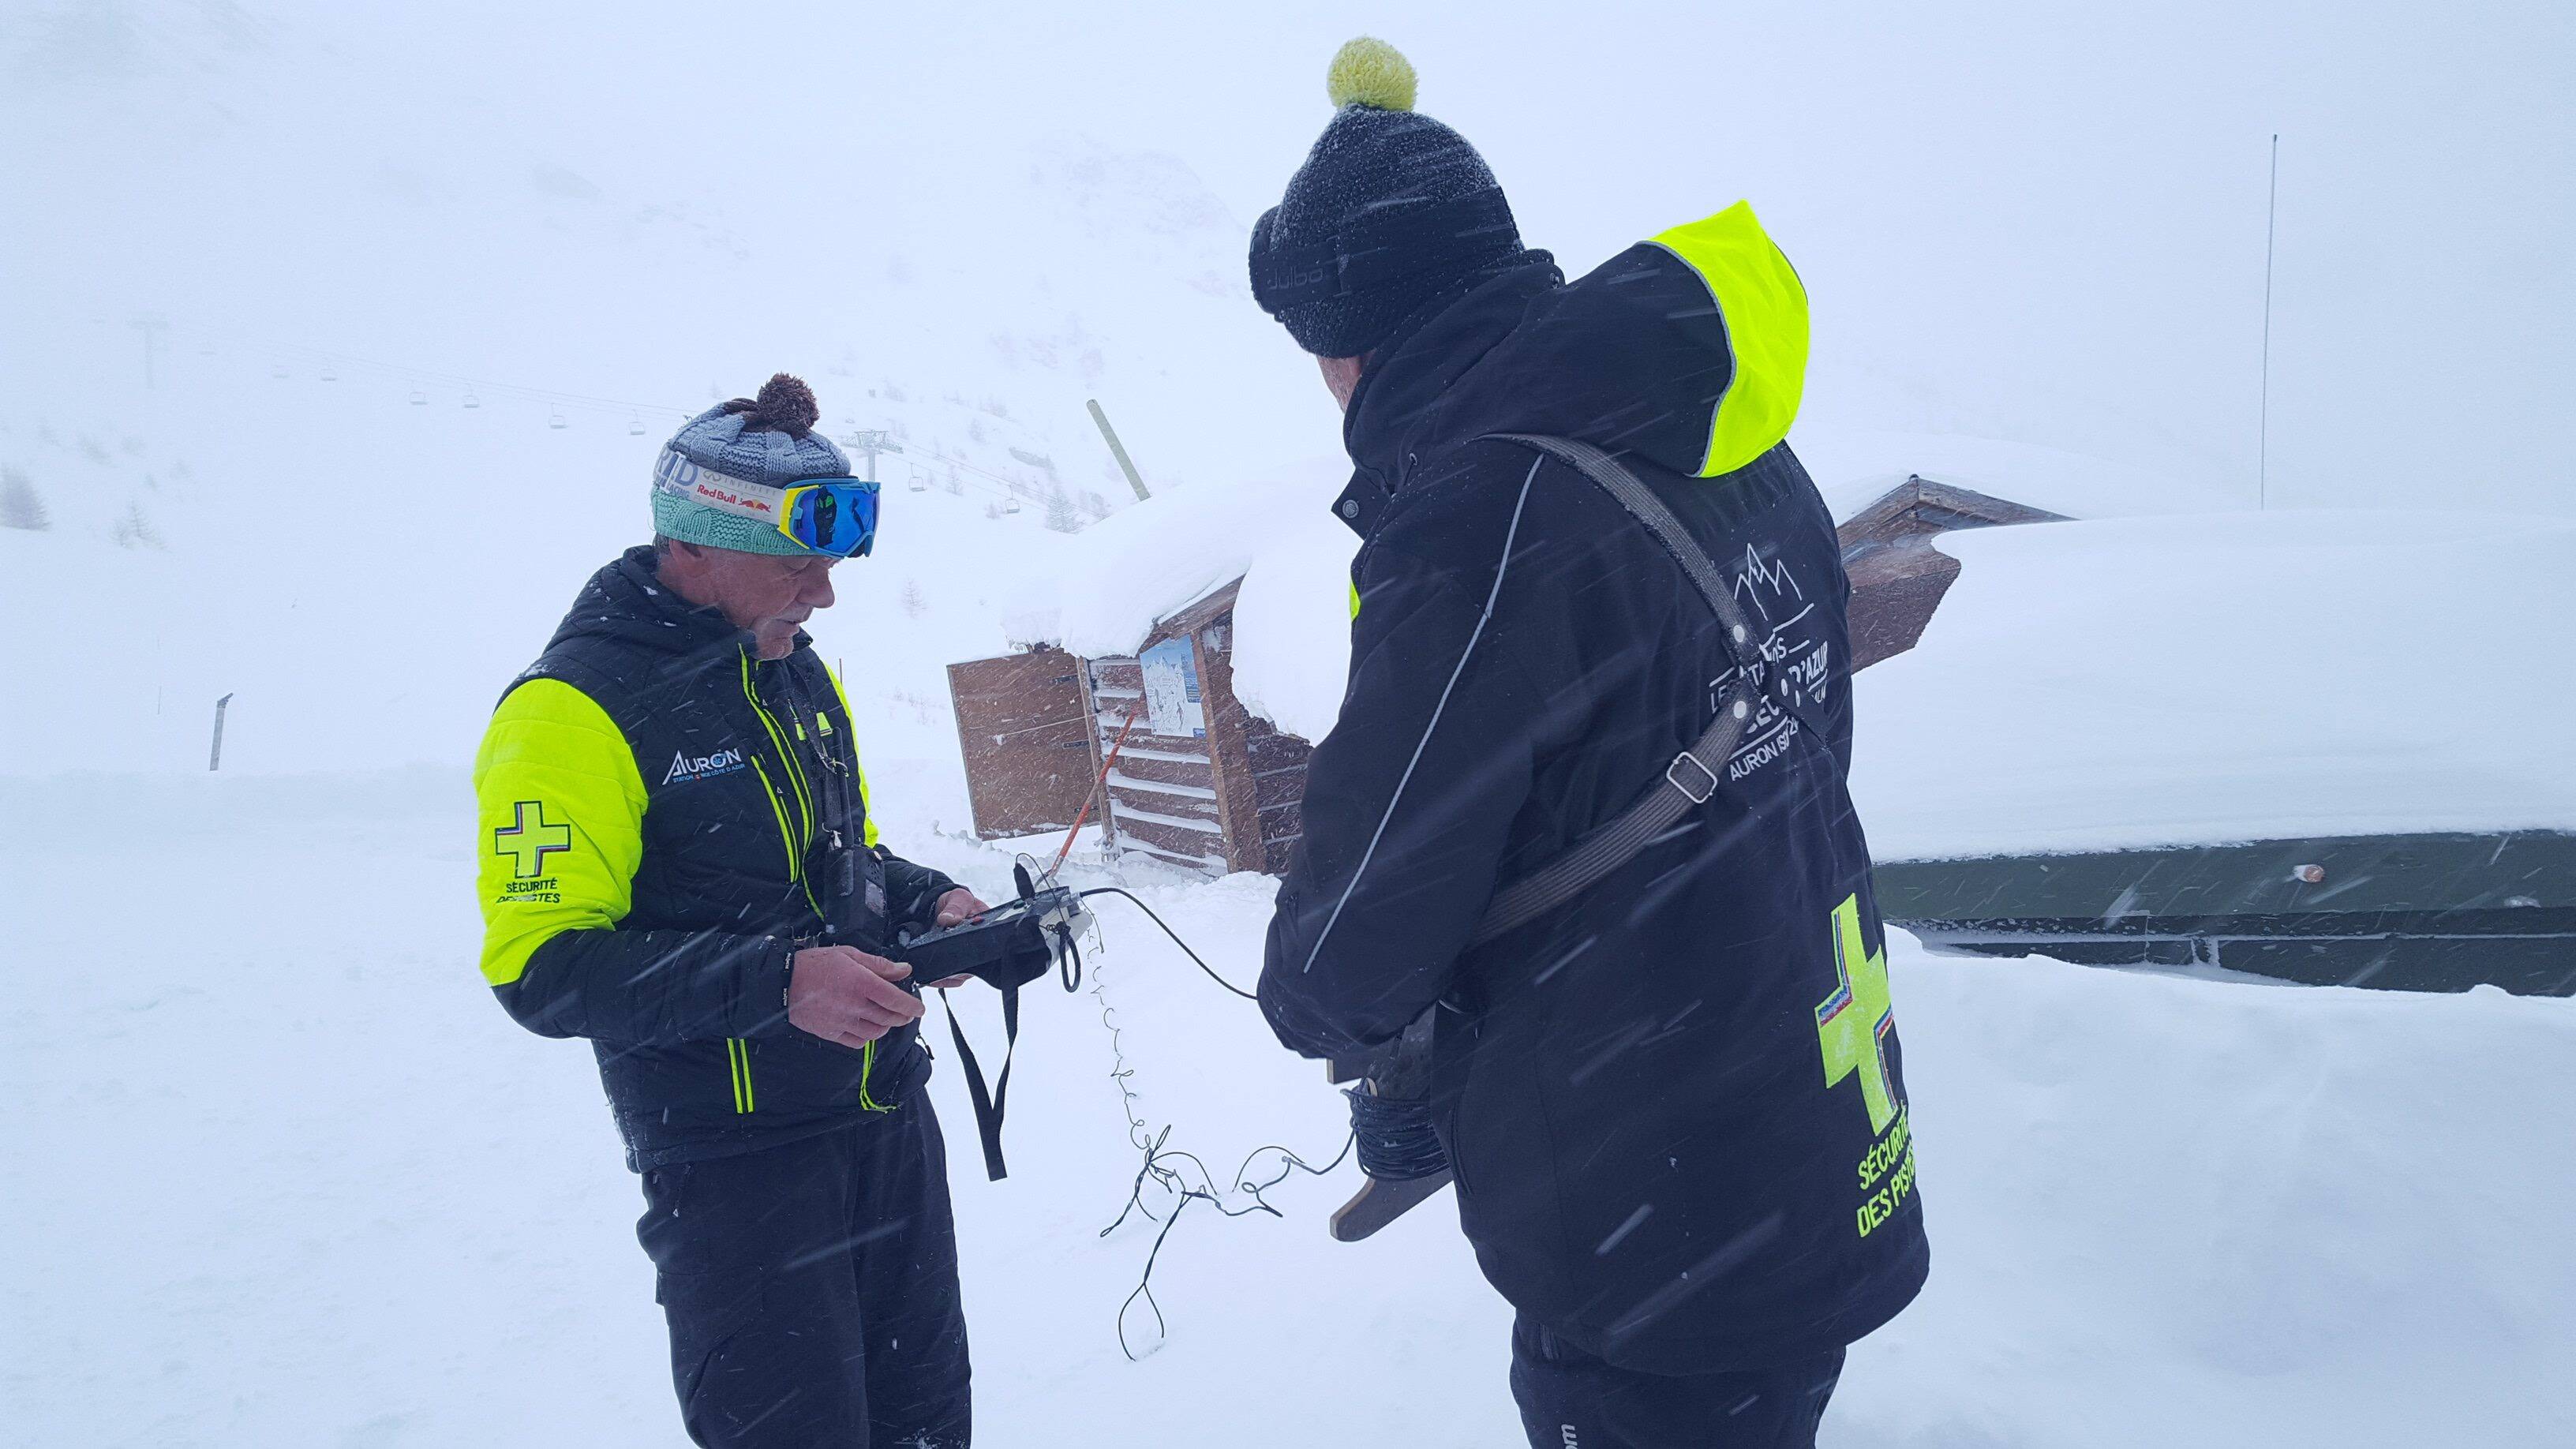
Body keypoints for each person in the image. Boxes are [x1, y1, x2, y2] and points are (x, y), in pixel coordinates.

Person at [1249, 40, 1930, 1449]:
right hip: (1812, 1110)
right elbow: (1802, 740)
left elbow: (1356, 934)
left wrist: (1342, 1016)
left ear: (1355, 344)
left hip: (1657, 1207)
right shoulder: (1725, 436)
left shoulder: (1480, 515)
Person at [470, 374, 986, 1448]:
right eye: (798, 565)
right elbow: (545, 966)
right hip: (738, 1173)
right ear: (694, 547)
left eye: (831, 567)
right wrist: (781, 984)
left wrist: (931, 903)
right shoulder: (571, 711)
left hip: (885, 1122)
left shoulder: (792, 674)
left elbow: (837, 864)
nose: (824, 596)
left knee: (927, 1428)